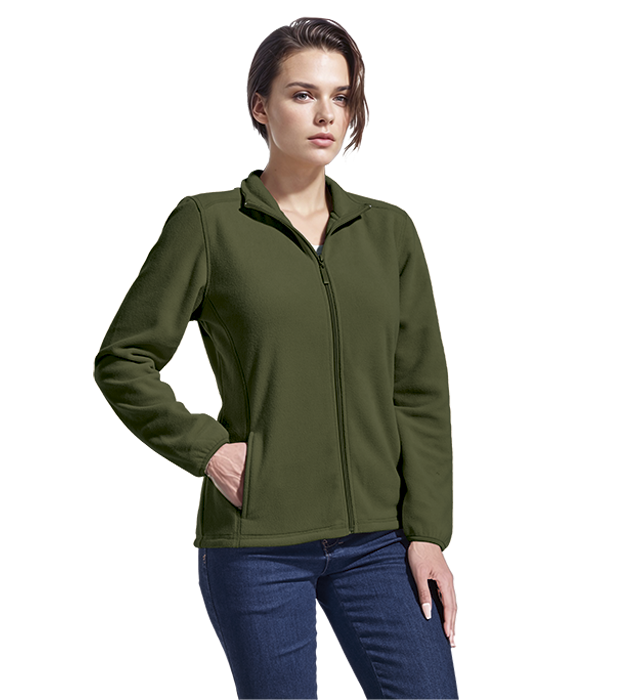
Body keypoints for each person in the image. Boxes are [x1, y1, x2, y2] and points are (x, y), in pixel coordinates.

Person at [93, 16, 458, 699]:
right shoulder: (208, 224)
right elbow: (123, 359)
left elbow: (420, 391)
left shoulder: (389, 232)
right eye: (302, 94)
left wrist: (429, 533)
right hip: (257, 542)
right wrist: (207, 447)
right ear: (260, 106)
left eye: (341, 97)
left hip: (379, 543)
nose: (326, 115)